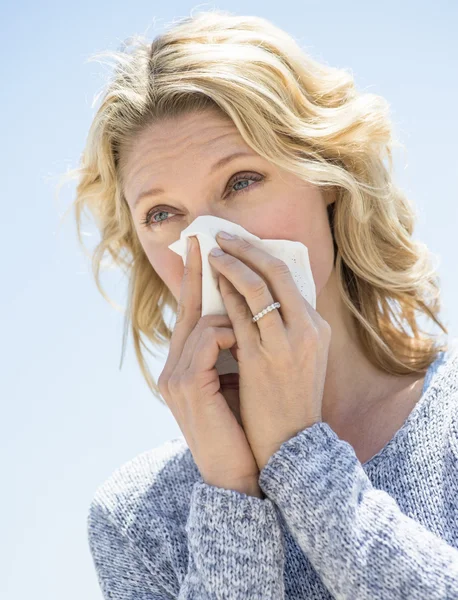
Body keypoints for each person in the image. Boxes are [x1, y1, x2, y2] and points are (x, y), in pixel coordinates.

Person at [66, 10, 458, 599]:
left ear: (327, 175)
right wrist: (229, 494)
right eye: (163, 215)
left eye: (242, 181)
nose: (209, 240)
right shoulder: (135, 518)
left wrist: (299, 458)